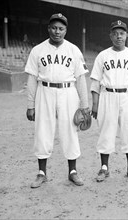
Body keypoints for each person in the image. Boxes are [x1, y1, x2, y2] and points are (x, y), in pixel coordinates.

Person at [25, 13, 89, 188]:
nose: (57, 31)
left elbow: (81, 79)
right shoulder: (37, 50)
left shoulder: (74, 50)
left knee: (70, 130)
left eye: (61, 28)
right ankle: (41, 173)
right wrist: (30, 105)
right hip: (44, 91)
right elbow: (31, 79)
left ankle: (73, 172)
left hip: (68, 92)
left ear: (66, 30)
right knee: (42, 130)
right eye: (54, 28)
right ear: (48, 28)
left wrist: (85, 105)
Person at [90, 20, 128, 183]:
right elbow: (95, 82)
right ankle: (104, 168)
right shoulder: (102, 55)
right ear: (110, 35)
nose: (118, 36)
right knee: (105, 131)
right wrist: (95, 104)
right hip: (107, 96)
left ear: (126, 35)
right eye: (115, 33)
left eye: (121, 33)